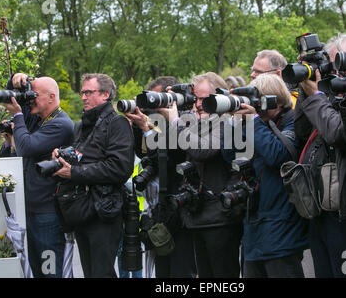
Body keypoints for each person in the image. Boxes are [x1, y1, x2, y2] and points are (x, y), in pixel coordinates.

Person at [295, 33, 346, 277]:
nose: (332, 70)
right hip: (321, 209)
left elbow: (338, 134)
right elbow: (301, 130)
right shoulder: (330, 93)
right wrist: (306, 85)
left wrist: (317, 96)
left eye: (336, 63)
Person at [223, 73, 309, 277]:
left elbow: (278, 156)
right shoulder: (255, 123)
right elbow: (229, 155)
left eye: (258, 99)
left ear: (276, 100)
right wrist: (234, 121)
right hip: (254, 227)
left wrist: (253, 120)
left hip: (282, 228)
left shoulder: (292, 121)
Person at [160, 72, 243, 277]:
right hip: (198, 215)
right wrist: (155, 119)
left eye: (204, 99)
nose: (198, 104)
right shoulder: (195, 125)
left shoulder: (227, 123)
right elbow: (169, 153)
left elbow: (202, 150)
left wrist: (175, 122)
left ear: (220, 99)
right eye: (195, 98)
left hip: (220, 217)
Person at [52, 73, 134, 278]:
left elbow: (120, 168)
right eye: (82, 92)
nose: (83, 97)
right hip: (81, 209)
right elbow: (82, 158)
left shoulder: (118, 123)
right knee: (90, 273)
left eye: (89, 92)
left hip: (104, 209)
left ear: (105, 94)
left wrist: (75, 173)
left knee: (101, 273)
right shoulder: (81, 126)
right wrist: (61, 157)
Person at [125, 76, 197, 278]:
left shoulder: (185, 119)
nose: (154, 106)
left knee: (182, 272)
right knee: (163, 273)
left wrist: (149, 128)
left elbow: (173, 156)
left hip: (182, 208)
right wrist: (141, 126)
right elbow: (146, 155)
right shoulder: (159, 121)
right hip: (161, 209)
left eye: (157, 99)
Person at [3, 74, 74, 278]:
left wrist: (17, 117)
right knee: (37, 270)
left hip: (48, 213)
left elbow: (26, 147)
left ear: (51, 97)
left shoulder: (61, 124)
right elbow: (14, 98)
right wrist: (16, 80)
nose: (31, 99)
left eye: (36, 95)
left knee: (49, 271)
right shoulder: (37, 118)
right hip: (33, 209)